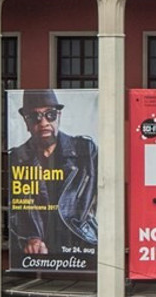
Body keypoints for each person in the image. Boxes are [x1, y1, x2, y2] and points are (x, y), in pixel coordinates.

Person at [6, 88, 98, 263]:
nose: (43, 123)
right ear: (26, 122)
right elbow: (14, 207)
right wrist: (31, 237)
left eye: (50, 115)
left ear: (59, 116)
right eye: (35, 117)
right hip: (35, 251)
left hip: (80, 242)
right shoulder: (16, 158)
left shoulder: (85, 150)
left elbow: (104, 193)